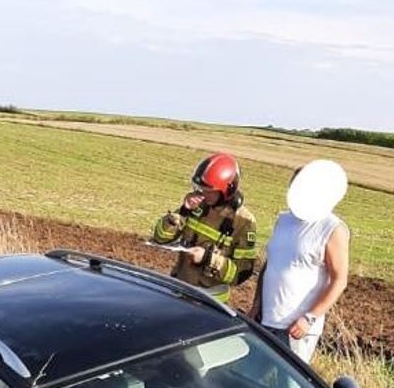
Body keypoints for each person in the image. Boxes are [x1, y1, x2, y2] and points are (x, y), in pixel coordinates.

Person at [251, 159, 350, 362]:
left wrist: (309, 318)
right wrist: (257, 304)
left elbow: (339, 279)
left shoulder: (332, 228)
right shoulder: (283, 220)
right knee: (251, 381)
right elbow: (270, 265)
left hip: (296, 328)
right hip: (266, 320)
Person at [149, 152, 258, 303]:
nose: (202, 194)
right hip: (178, 292)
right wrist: (183, 211)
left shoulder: (244, 222)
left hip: (209, 303)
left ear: (227, 191)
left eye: (208, 191)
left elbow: (241, 274)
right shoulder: (197, 205)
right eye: (200, 188)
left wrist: (208, 259)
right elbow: (160, 237)